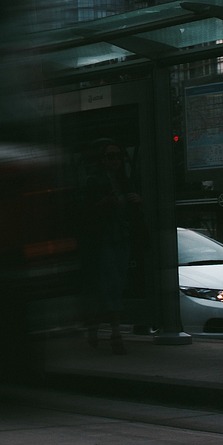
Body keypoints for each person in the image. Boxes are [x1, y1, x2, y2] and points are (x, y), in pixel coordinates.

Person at [79, 138, 145, 354]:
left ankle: (97, 328)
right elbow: (87, 212)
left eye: (117, 156)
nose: (115, 160)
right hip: (105, 239)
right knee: (110, 284)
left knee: (113, 283)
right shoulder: (96, 182)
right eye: (110, 156)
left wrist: (136, 201)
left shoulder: (125, 182)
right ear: (103, 159)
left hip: (120, 238)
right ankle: (113, 332)